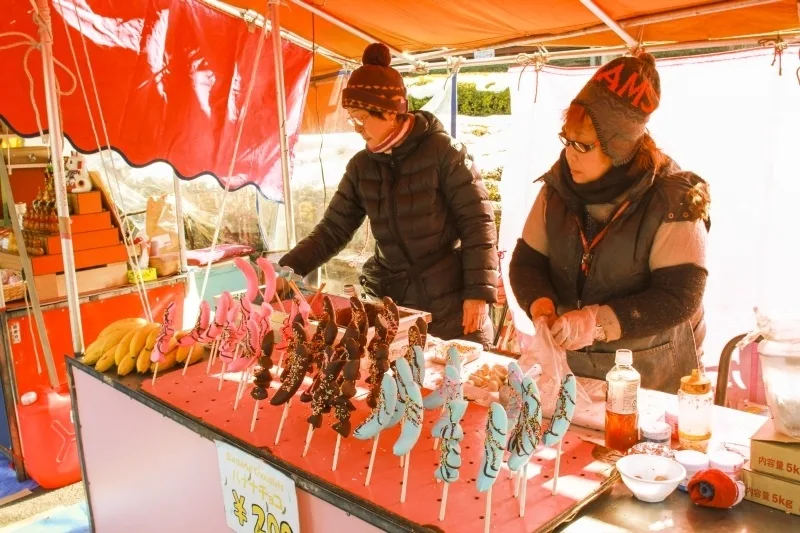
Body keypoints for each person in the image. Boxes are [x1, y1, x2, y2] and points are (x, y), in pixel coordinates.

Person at [509, 52, 710, 393]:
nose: (570, 153)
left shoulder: (674, 198)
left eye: (584, 145)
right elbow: (527, 261)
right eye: (567, 139)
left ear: (620, 147)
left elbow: (680, 296)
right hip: (572, 371)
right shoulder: (557, 188)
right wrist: (539, 302)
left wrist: (596, 322)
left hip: (647, 375)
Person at [279, 43, 498, 347]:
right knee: (393, 384)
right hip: (392, 300)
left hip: (450, 301)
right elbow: (333, 230)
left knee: (449, 384)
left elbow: (478, 224)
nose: (357, 128)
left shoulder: (444, 153)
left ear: (391, 112)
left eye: (362, 117)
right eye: (351, 117)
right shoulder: (361, 167)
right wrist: (289, 268)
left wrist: (478, 292)